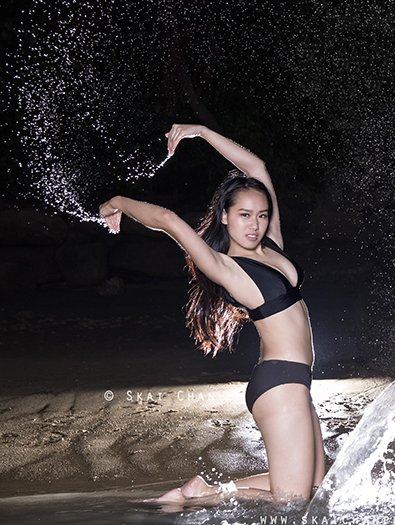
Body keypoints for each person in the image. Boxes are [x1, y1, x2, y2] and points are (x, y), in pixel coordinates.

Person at [100, 124, 325, 503]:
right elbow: (169, 220)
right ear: (224, 216)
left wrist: (201, 132)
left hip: (296, 380)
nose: (254, 225)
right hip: (279, 384)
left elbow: (256, 168)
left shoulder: (273, 247)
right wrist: (118, 201)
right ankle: (197, 500)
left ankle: (208, 490)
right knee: (293, 500)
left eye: (261, 215)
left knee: (316, 488)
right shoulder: (227, 267)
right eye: (243, 215)